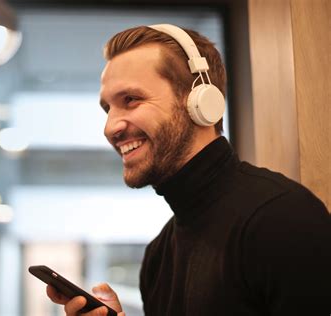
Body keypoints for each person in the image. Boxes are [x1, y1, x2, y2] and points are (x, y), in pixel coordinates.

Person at [46, 24, 331, 316]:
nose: (110, 128)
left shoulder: (281, 217)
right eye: (108, 109)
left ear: (201, 101)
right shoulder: (158, 257)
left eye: (130, 100)